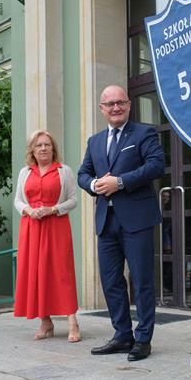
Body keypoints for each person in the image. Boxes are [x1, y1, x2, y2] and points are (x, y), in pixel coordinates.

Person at [78, 85, 165, 362]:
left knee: (141, 280)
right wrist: (94, 184)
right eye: (110, 104)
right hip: (106, 220)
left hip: (137, 219)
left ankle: (143, 339)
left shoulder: (143, 133)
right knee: (111, 280)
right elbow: (83, 174)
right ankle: (122, 335)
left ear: (128, 105)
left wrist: (121, 182)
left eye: (120, 102)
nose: (115, 107)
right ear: (102, 109)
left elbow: (156, 165)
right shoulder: (94, 141)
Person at [14, 130, 81, 342]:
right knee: (36, 272)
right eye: (39, 145)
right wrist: (28, 210)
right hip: (31, 227)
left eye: (47, 144)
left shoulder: (64, 171)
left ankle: (72, 321)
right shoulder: (25, 172)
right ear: (32, 151)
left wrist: (52, 209)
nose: (43, 148)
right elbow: (17, 200)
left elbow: (73, 200)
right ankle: (45, 321)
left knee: (62, 272)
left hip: (56, 226)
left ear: (53, 148)